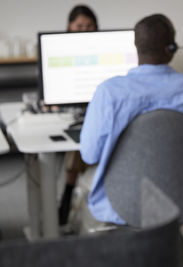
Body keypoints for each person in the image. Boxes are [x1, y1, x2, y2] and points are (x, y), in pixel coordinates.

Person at [79, 14, 183, 224]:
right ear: (171, 49)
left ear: (136, 47)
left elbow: (89, 155)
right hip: (179, 199)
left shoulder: (109, 92)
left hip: (121, 204)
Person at [58, 4, 98, 226]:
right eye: (79, 26)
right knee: (78, 143)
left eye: (89, 26)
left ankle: (68, 194)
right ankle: (68, 195)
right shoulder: (59, 51)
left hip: (97, 110)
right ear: (69, 27)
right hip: (69, 111)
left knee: (85, 140)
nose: (84, 31)